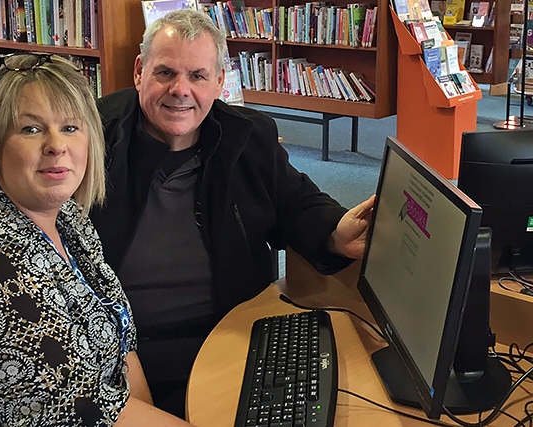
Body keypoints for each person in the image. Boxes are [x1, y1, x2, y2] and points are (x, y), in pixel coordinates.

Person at [89, 9, 375, 418]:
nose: (180, 90)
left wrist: (335, 230)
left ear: (220, 81)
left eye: (198, 76)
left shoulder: (247, 136)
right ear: (139, 71)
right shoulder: (91, 136)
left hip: (228, 336)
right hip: (123, 354)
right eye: (165, 72)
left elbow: (296, 202)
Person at [0, 52, 195, 426]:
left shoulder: (66, 217)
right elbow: (73, 414)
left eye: (71, 127)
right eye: (31, 129)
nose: (56, 145)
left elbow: (121, 349)